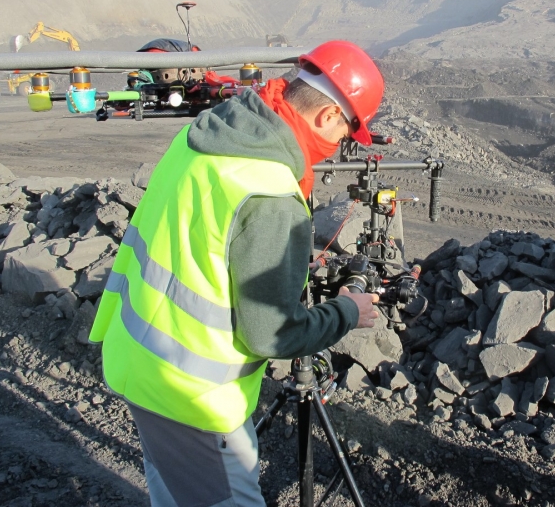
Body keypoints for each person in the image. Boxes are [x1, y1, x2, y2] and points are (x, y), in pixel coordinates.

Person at [88, 40, 385, 506]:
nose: (338, 147)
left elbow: (202, 235)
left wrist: (277, 263)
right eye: (346, 134)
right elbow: (272, 334)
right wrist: (347, 310)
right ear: (328, 118)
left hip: (140, 357)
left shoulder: (209, 135)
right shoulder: (269, 191)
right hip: (191, 398)